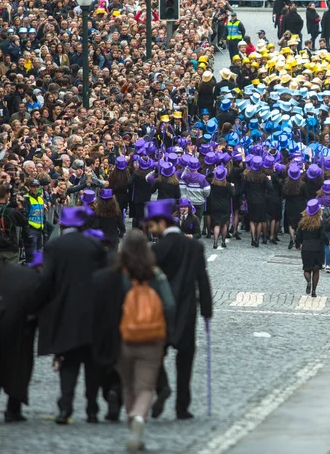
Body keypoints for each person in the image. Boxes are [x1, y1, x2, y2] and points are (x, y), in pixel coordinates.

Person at [92, 230, 175, 451]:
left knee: (128, 385)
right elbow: (169, 305)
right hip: (151, 338)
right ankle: (139, 418)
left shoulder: (117, 275)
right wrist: (167, 334)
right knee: (146, 387)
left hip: (124, 337)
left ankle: (132, 424)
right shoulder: (154, 275)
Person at [33, 206, 107, 424]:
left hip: (65, 310)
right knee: (92, 363)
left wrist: (36, 306)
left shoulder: (54, 246)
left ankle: (65, 408)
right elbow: (103, 278)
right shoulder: (94, 245)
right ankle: (92, 408)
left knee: (69, 362)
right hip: (92, 310)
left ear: (63, 224)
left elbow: (47, 280)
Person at [144, 200, 213, 420]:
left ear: (162, 223)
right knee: (185, 358)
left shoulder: (157, 249)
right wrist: (207, 311)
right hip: (187, 308)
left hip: (160, 309)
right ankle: (182, 407)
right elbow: (202, 279)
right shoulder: (194, 247)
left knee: (154, 353)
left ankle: (162, 386)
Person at [0, 261, 41, 422]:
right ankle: (13, 410)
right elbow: (37, 308)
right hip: (19, 328)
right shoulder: (38, 280)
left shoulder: (8, 270)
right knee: (19, 368)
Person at [0, 184, 28, 269]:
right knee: (10, 276)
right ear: (7, 195)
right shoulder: (11, 211)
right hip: (10, 247)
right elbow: (24, 221)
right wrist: (21, 208)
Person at [295, 199, 327, 297]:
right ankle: (314, 291)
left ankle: (308, 281)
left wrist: (297, 245)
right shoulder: (320, 223)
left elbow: (298, 236)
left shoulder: (302, 222)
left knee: (307, 269)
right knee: (316, 270)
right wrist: (327, 242)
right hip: (317, 248)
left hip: (306, 248)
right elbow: (323, 236)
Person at [92, 188, 126, 254]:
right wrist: (121, 232)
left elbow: (96, 226)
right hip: (113, 239)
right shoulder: (117, 212)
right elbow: (121, 226)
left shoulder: (97, 212)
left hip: (101, 239)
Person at [208, 165, 234, 249]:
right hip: (225, 206)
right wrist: (233, 187)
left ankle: (215, 241)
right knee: (224, 224)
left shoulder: (212, 184)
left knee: (216, 224)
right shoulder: (228, 185)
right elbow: (233, 194)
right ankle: (223, 242)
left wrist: (213, 172)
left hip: (215, 205)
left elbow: (206, 177)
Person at [23, 179, 45, 266]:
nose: (35, 188)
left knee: (39, 254)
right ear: (29, 187)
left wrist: (45, 230)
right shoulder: (27, 199)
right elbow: (25, 216)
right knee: (31, 254)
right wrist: (27, 230)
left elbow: (43, 215)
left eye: (37, 186)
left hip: (39, 228)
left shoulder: (40, 199)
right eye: (33, 187)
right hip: (31, 229)